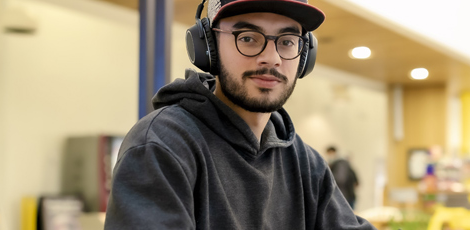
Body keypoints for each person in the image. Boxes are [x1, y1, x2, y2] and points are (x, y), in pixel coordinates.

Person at [104, 0, 375, 229]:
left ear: (305, 56)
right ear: (207, 46)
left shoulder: (305, 163)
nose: (272, 58)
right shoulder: (162, 146)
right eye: (247, 38)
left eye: (288, 41)